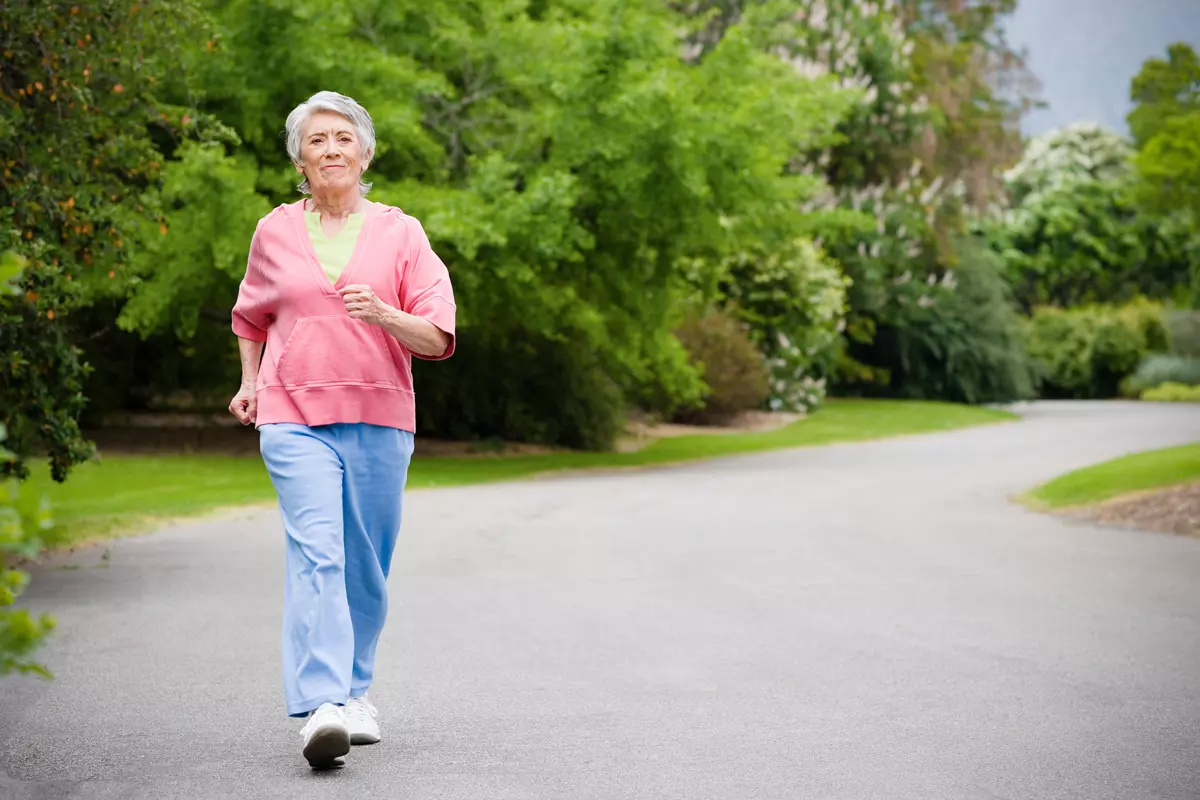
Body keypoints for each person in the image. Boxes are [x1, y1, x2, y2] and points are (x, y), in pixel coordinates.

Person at [228, 90, 456, 769]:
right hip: (292, 412)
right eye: (317, 139)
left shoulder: (401, 233)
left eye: (343, 138)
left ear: (365, 152)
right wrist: (249, 382)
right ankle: (322, 704)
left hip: (381, 415)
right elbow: (250, 317)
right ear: (300, 157)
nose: (331, 149)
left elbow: (439, 334)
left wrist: (384, 313)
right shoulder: (273, 231)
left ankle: (357, 692)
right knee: (318, 551)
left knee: (366, 566)